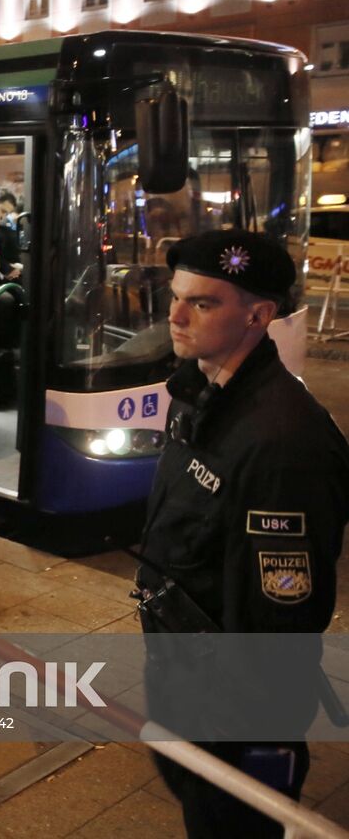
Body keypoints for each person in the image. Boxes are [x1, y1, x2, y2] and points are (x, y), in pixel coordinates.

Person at [136, 229, 349, 839]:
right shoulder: (197, 393)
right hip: (181, 678)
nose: (174, 315)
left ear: (259, 315)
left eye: (202, 303)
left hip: (232, 710)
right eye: (175, 296)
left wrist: (229, 726)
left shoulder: (284, 445)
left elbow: (280, 620)